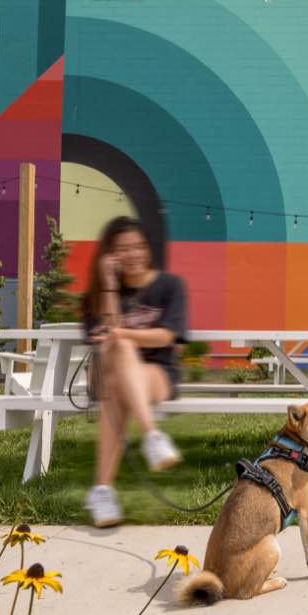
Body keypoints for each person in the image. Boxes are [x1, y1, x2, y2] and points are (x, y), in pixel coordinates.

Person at [82, 216, 186, 528]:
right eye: (122, 249)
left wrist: (120, 335)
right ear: (109, 255)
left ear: (147, 249)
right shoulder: (97, 296)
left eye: (138, 246)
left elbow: (166, 336)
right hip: (104, 373)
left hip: (156, 374)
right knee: (120, 357)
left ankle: (101, 491)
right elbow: (104, 340)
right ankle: (151, 435)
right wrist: (110, 286)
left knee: (119, 373)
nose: (133, 254)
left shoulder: (170, 286)